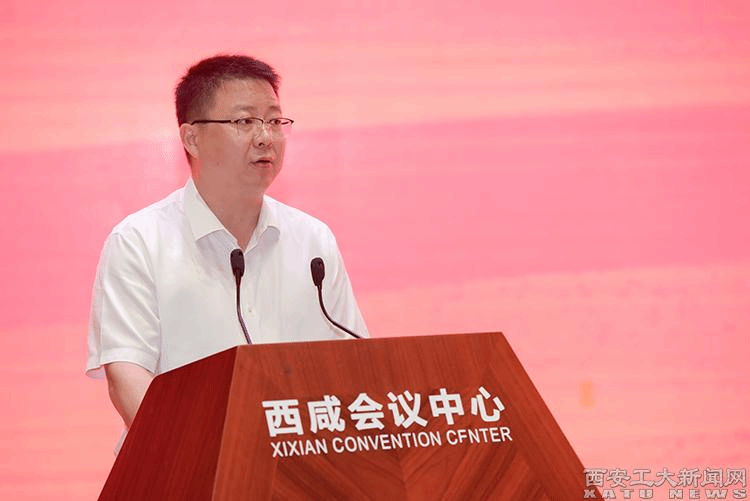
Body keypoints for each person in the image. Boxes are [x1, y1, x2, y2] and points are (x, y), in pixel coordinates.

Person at [86, 54, 368, 431]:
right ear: (192, 138)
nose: (265, 137)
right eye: (244, 121)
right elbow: (127, 378)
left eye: (274, 121)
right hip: (186, 462)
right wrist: (200, 453)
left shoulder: (313, 240)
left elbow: (354, 364)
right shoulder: (139, 242)